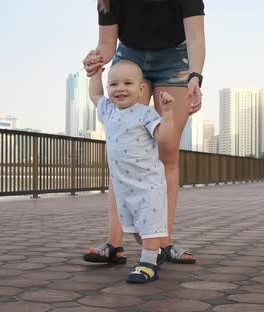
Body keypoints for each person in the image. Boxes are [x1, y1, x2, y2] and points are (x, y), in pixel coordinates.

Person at [83, 0, 205, 265]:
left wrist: (195, 76)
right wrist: (94, 61)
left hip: (175, 60)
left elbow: (195, 35)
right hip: (130, 57)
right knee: (126, 150)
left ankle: (163, 243)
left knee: (167, 152)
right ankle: (115, 245)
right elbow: (106, 45)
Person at [89, 60, 176, 283]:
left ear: (140, 90)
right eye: (114, 84)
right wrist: (96, 74)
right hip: (124, 186)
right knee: (135, 228)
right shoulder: (108, 111)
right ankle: (154, 253)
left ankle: (148, 264)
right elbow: (95, 95)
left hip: (149, 184)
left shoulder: (145, 113)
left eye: (128, 83)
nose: (120, 88)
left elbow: (164, 138)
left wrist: (167, 114)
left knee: (149, 224)